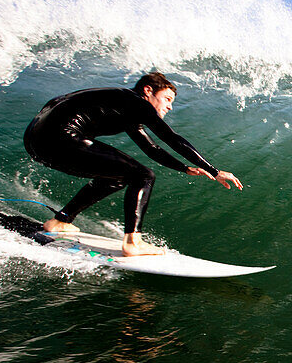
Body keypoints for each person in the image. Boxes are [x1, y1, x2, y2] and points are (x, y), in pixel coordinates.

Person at [23, 72, 242, 256]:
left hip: (36, 141)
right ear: (148, 91)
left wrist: (184, 168)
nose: (170, 107)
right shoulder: (137, 103)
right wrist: (216, 171)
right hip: (60, 136)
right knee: (143, 175)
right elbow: (172, 138)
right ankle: (132, 243)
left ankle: (61, 221)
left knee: (121, 175)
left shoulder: (124, 107)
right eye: (167, 99)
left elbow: (152, 149)